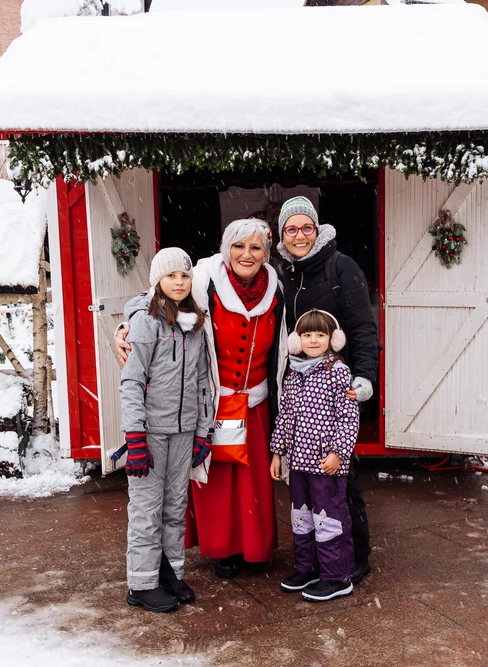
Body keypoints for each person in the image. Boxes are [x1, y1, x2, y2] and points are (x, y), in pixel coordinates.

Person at [117, 219, 287, 579]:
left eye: (256, 248)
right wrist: (126, 325)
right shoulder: (204, 276)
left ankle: (254, 549)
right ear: (226, 249)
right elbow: (149, 297)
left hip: (256, 400)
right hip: (213, 395)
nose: (247, 254)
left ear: (265, 254)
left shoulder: (276, 287)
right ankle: (222, 549)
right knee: (218, 481)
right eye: (239, 246)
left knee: (252, 479)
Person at [274, 195, 378, 585]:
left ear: (316, 229)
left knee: (340, 481)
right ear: (282, 234)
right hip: (299, 388)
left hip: (337, 390)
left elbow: (364, 328)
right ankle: (318, 560)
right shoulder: (283, 272)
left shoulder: (340, 267)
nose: (299, 235)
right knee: (308, 487)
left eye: (306, 227)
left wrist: (364, 376)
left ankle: (354, 557)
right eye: (291, 229)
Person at [119, 247, 213, 613]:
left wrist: (203, 432)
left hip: (185, 430)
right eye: (171, 275)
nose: (178, 281)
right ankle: (141, 584)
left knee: (176, 507)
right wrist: (135, 437)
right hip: (151, 434)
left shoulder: (195, 325)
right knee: (146, 510)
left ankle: (170, 573)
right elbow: (132, 382)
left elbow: (203, 383)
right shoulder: (146, 323)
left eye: (184, 275)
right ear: (157, 281)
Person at [270, 309, 360, 602]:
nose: (313, 340)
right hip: (298, 463)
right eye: (307, 335)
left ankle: (336, 575)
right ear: (297, 340)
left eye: (320, 335)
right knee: (302, 518)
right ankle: (307, 568)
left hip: (326, 465)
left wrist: (338, 453)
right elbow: (285, 416)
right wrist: (278, 452)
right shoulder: (294, 372)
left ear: (333, 339)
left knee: (328, 519)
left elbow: (348, 418)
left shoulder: (338, 372)